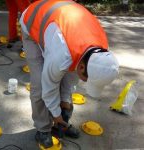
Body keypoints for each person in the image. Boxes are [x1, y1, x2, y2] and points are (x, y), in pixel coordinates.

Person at [20, 0, 119, 148]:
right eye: (86, 79)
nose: (84, 82)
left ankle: (60, 123)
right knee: (40, 84)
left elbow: (70, 78)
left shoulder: (100, 53)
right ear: (82, 67)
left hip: (60, 25)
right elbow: (49, 84)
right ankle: (43, 129)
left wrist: (65, 100)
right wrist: (56, 112)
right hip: (32, 21)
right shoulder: (62, 55)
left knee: (62, 79)